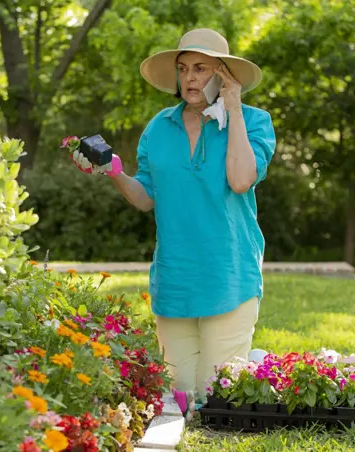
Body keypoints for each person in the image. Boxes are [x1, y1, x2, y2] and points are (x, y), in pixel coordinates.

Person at [69, 28, 276, 418]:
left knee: (215, 398)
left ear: (224, 75)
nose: (189, 78)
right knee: (179, 399)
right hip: (175, 279)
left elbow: (241, 179)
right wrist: (113, 172)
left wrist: (232, 110)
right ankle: (248, 361)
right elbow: (147, 199)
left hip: (229, 276)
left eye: (200, 68)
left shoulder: (254, 122)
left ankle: (256, 362)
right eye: (183, 69)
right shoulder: (159, 128)